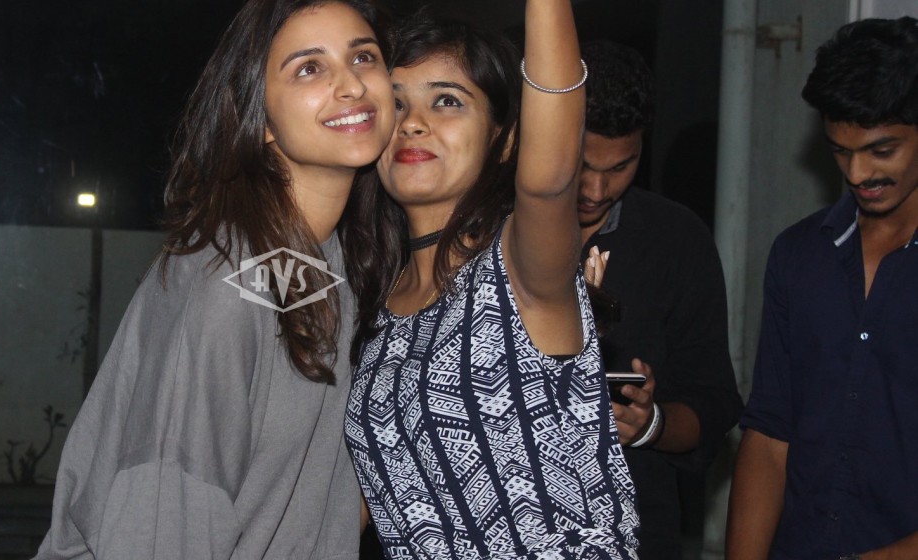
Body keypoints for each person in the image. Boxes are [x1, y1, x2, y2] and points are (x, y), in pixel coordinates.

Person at [31, 0, 395, 558]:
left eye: (363, 57)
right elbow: (163, 517)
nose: (351, 85)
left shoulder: (321, 264)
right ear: (260, 118)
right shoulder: (228, 282)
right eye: (309, 68)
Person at [340, 2, 640, 558]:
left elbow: (550, 176)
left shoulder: (519, 267)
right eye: (396, 103)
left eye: (447, 100)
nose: (412, 122)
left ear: (505, 141)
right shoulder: (368, 306)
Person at [726, 16, 918, 560]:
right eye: (839, 151)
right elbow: (769, 436)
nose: (857, 173)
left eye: (882, 151)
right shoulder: (799, 255)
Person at [575, 40, 741, 559]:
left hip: (637, 532)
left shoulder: (676, 240)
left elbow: (713, 402)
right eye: (581, 164)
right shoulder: (486, 229)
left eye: (620, 167)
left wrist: (650, 425)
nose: (597, 189)